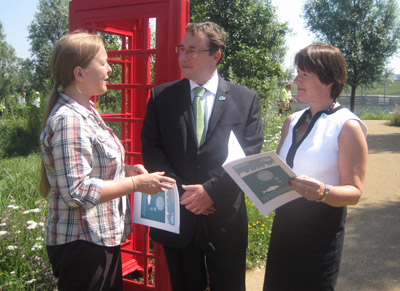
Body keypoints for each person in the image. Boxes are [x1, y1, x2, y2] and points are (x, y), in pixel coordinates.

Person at [39, 31, 176, 291]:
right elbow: (78, 192)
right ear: (79, 73)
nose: (110, 69)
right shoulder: (70, 120)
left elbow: (88, 163)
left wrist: (124, 169)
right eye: (103, 63)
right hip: (81, 243)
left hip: (99, 237)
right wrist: (136, 183)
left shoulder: (87, 111)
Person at [141, 22, 264, 291]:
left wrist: (210, 191)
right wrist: (186, 195)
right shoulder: (161, 97)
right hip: (179, 217)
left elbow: (250, 152)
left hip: (224, 219)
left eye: (193, 50)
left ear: (216, 56)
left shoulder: (245, 100)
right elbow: (151, 149)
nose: (183, 57)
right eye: (181, 49)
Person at [263, 43, 368, 290]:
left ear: (328, 79)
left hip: (320, 233)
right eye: (297, 73)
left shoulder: (347, 126)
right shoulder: (292, 120)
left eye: (304, 75)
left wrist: (323, 192)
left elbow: (354, 192)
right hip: (285, 228)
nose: (295, 80)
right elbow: (279, 169)